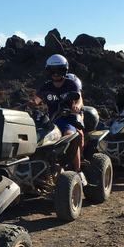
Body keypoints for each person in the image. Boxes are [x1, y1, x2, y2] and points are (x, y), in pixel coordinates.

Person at [27, 54, 86, 184]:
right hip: (52, 120)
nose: (56, 74)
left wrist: (76, 106)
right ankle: (38, 169)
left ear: (64, 71)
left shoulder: (71, 84)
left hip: (67, 119)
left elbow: (78, 98)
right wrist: (26, 106)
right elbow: (35, 100)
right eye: (52, 71)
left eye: (59, 70)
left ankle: (78, 171)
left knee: (71, 136)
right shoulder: (46, 87)